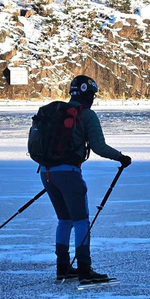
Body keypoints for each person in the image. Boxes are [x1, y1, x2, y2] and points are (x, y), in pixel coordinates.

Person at [39, 75, 132, 285]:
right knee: (81, 220)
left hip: (46, 173)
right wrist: (121, 157)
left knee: (64, 220)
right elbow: (98, 147)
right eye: (92, 95)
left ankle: (62, 269)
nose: (92, 99)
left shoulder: (56, 112)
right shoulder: (87, 115)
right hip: (69, 174)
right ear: (85, 94)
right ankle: (84, 269)